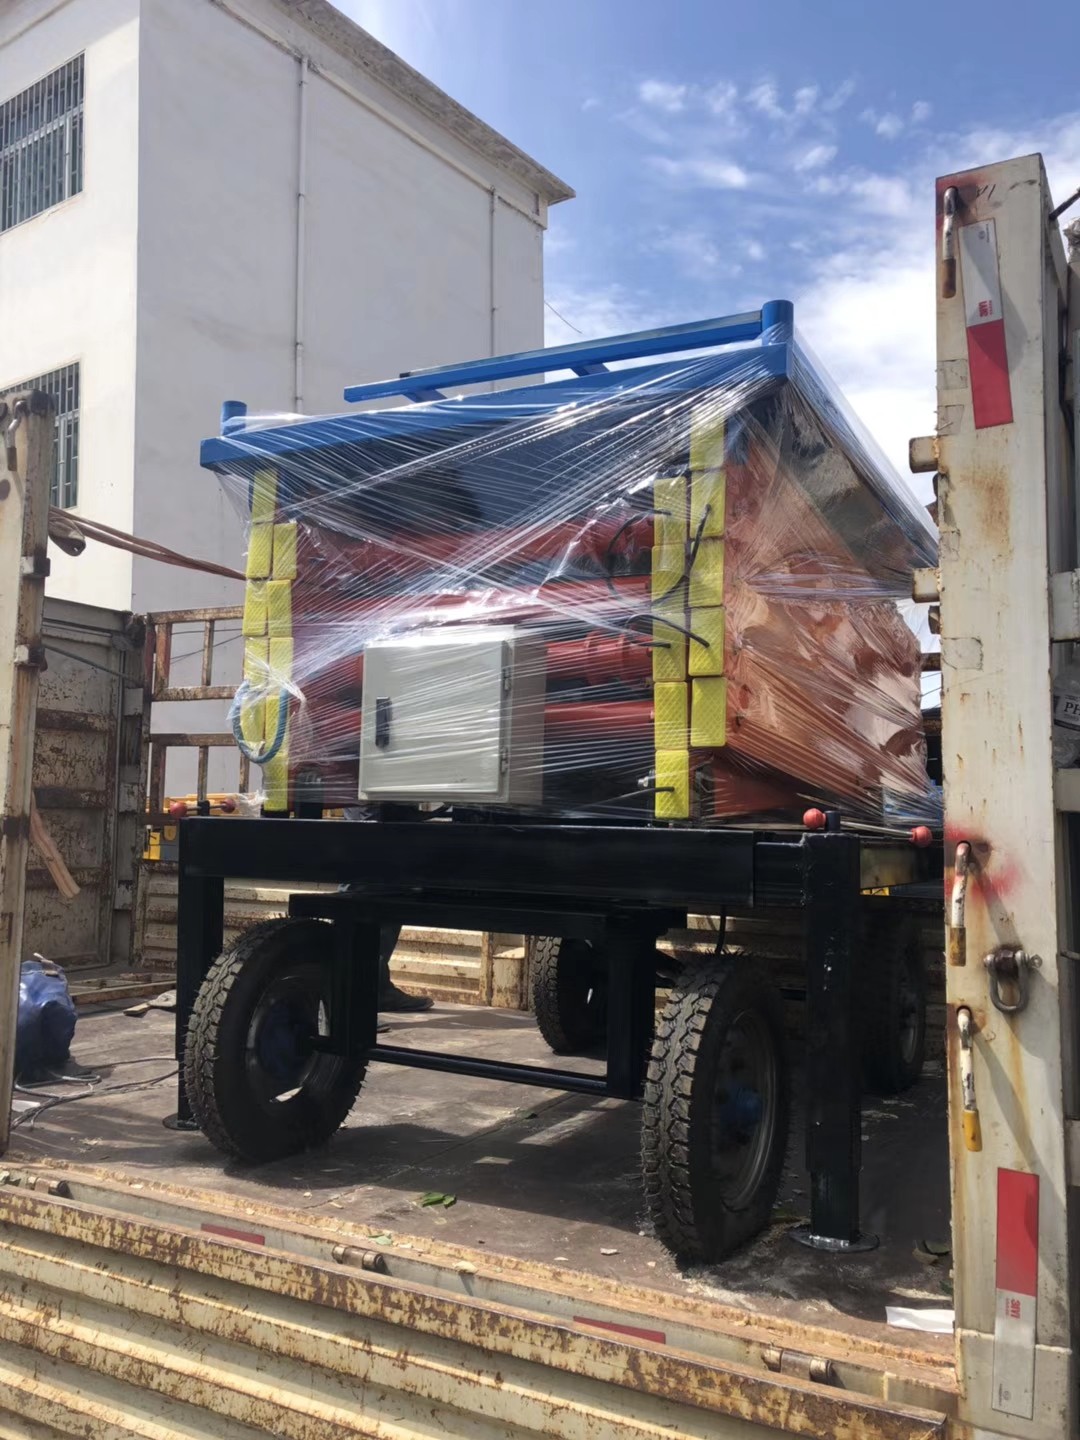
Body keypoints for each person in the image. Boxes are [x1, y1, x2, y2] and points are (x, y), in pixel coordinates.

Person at [342, 805, 433, 1013]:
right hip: (372, 811)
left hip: (387, 810)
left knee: (389, 893)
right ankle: (357, 995)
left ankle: (375, 988)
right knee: (366, 890)